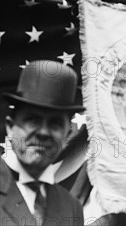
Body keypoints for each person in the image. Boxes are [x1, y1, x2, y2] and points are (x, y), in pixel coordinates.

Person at [1, 61, 84, 225]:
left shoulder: (71, 208)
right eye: (32, 120)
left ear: (67, 134)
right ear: (10, 127)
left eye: (55, 124)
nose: (44, 132)